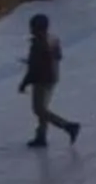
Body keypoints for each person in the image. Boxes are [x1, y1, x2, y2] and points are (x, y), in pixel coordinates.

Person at [20, 13, 81, 147]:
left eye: (32, 27)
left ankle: (68, 126)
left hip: (41, 79)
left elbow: (33, 68)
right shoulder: (53, 39)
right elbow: (58, 56)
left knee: (39, 109)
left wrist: (24, 83)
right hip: (53, 77)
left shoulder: (37, 44)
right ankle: (41, 136)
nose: (31, 30)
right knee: (43, 108)